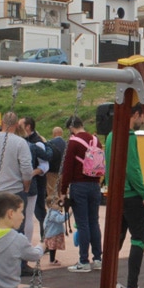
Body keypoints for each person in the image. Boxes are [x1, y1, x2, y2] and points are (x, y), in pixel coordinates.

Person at [107, 104, 144, 288]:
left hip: (117, 197)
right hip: (132, 196)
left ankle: (110, 284)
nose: (142, 121)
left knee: (116, 240)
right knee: (138, 240)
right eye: (142, 116)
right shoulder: (130, 136)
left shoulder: (110, 136)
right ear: (135, 114)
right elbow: (132, 168)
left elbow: (110, 167)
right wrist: (143, 193)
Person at [59, 115, 103, 272]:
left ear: (71, 128)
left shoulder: (73, 143)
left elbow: (68, 169)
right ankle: (98, 259)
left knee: (83, 223)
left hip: (79, 185)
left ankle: (83, 261)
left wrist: (63, 191)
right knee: (94, 222)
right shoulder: (96, 140)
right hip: (95, 185)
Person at [0, 111, 34, 208]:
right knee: (16, 222)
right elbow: (26, 168)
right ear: (17, 124)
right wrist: (26, 187)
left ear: (1, 123)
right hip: (15, 190)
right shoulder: (20, 143)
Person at [20, 116, 53, 236]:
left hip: (36, 183)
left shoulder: (37, 143)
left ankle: (46, 238)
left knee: (38, 212)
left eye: (20, 125)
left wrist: (30, 173)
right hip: (30, 182)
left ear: (28, 127)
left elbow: (44, 165)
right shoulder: (25, 141)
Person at [45, 125, 67, 210]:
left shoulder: (50, 143)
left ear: (53, 134)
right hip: (64, 172)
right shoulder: (66, 143)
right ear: (61, 134)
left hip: (52, 172)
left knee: (52, 193)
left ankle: (55, 212)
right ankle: (61, 208)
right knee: (61, 192)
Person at [41, 194, 67, 264]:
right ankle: (52, 260)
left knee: (53, 247)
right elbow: (60, 219)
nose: (59, 205)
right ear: (50, 205)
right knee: (52, 247)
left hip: (53, 232)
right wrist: (68, 214)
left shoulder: (53, 212)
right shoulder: (52, 214)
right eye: (57, 203)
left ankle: (52, 259)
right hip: (53, 234)